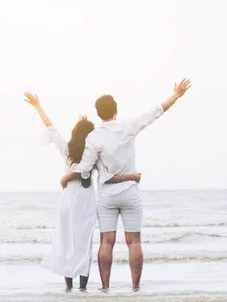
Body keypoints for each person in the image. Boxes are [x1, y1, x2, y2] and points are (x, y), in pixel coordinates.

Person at [60, 79, 192, 291]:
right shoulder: (128, 126)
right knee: (134, 242)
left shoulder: (94, 137)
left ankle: (105, 288)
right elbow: (156, 112)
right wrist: (176, 95)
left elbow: (84, 168)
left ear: (98, 113)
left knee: (106, 242)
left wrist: (67, 177)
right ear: (116, 111)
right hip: (130, 193)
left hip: (107, 197)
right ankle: (135, 288)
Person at [23, 92, 141, 291]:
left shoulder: (66, 148)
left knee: (67, 241)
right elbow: (106, 175)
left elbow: (50, 127)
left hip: (68, 199)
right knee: (84, 242)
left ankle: (69, 287)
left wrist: (38, 107)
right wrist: (131, 177)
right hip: (86, 200)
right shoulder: (93, 152)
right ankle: (83, 287)